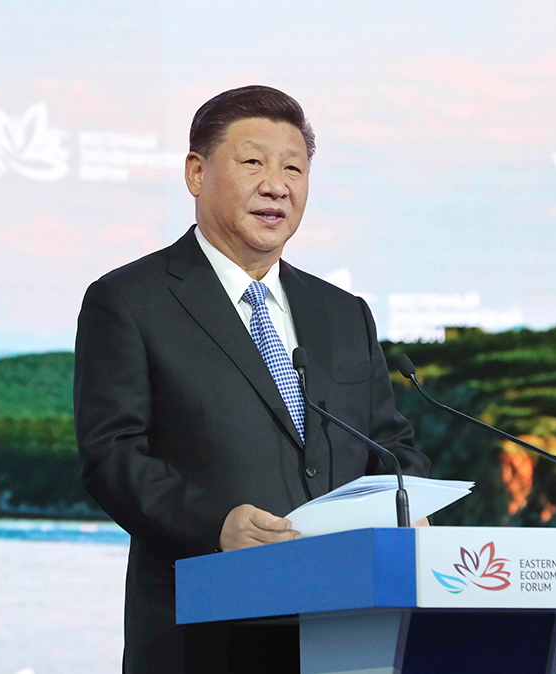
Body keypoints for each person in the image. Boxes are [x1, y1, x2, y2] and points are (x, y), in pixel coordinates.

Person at [73, 85, 430, 674]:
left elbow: (390, 444)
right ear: (196, 173)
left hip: (349, 629)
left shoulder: (343, 313)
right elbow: (111, 456)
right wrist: (214, 525)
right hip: (204, 632)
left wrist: (407, 501)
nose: (277, 186)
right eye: (253, 163)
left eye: (294, 168)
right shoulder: (130, 300)